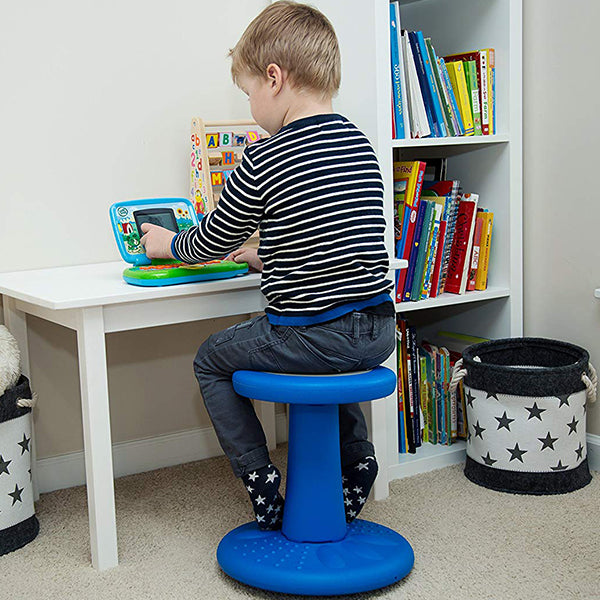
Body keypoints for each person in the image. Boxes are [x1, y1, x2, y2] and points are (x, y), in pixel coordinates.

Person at [140, 1, 395, 530]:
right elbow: (335, 244)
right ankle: (357, 460)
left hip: (314, 336)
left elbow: (208, 241)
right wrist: (265, 254)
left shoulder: (265, 156)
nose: (251, 102)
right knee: (331, 350)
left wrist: (165, 243)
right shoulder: (359, 144)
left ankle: (260, 481)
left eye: (249, 90)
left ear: (274, 79)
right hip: (377, 331)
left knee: (212, 359)